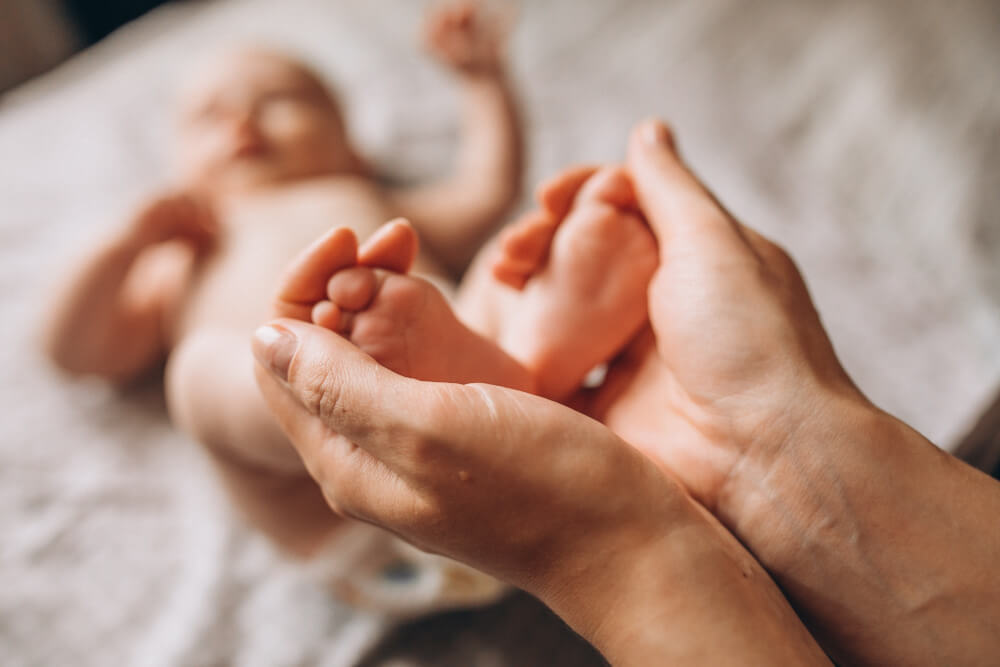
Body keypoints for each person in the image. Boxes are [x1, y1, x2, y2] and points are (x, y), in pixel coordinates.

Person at [252, 119, 1000, 664]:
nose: (244, 118)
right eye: (206, 110)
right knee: (206, 375)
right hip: (314, 486)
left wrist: (609, 541)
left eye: (285, 98)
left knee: (463, 289)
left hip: (415, 467)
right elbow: (123, 349)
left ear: (350, 140)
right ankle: (515, 364)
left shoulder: (363, 183)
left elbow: (481, 189)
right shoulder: (192, 242)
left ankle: (514, 369)